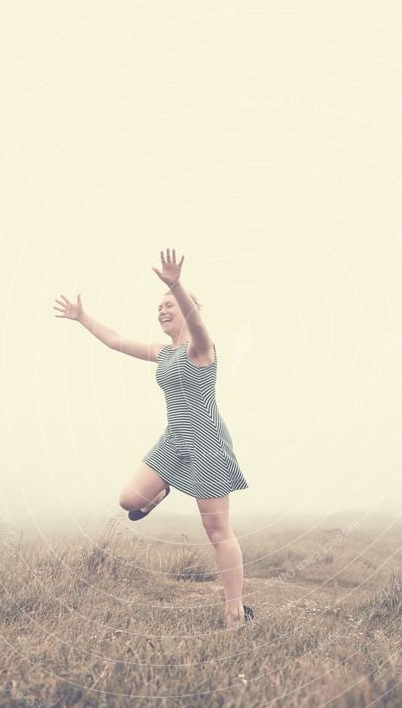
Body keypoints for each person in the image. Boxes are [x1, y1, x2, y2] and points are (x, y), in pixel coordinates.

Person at [53, 247, 253, 629]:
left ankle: (235, 615)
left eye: (170, 307)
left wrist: (176, 285)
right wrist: (81, 318)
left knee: (217, 531)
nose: (163, 311)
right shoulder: (164, 353)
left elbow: (197, 325)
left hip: (206, 444)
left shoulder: (201, 349)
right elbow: (115, 341)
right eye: (159, 307)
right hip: (173, 440)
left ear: (187, 309)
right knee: (129, 499)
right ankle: (166, 487)